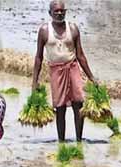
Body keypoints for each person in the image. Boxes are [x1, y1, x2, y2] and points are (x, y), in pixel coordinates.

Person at [32, 0, 96, 142]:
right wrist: (34, 81)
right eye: (56, 11)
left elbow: (80, 55)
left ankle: (79, 139)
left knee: (78, 104)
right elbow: (38, 57)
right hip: (56, 71)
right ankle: (61, 141)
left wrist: (91, 77)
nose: (60, 13)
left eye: (62, 11)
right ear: (50, 13)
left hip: (72, 68)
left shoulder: (72, 29)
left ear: (65, 12)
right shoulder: (44, 30)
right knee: (59, 107)